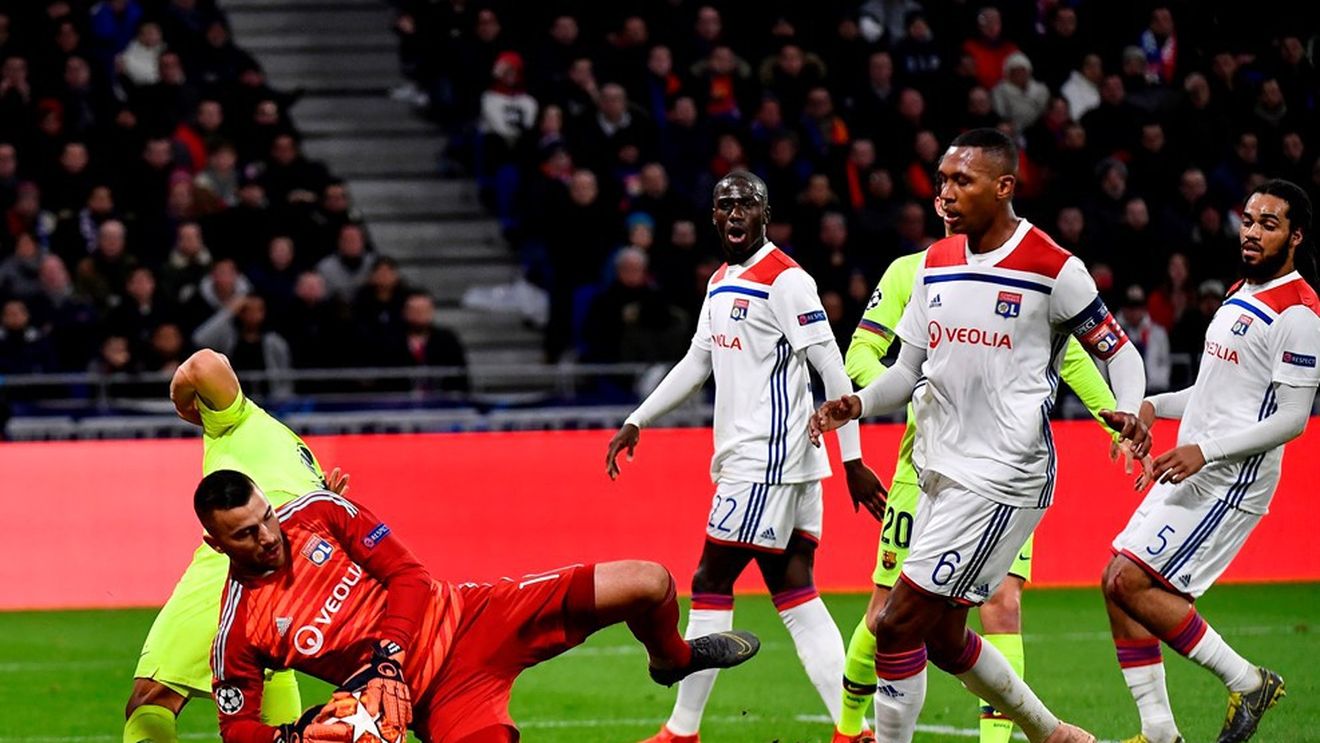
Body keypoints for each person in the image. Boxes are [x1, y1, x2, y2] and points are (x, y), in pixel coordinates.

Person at [813, 129, 1151, 743]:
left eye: (961, 180)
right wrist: (856, 403)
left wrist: (1126, 410)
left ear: (1004, 187)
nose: (945, 192)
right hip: (936, 472)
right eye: (941, 179)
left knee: (895, 623)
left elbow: (1118, 354)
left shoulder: (1052, 266)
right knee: (942, 637)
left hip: (1002, 477)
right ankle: (1054, 735)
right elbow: (907, 372)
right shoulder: (933, 266)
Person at [605, 170, 886, 742]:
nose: (735, 213)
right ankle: (854, 730)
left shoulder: (787, 281)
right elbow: (695, 363)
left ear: (766, 213)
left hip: (769, 461)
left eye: (746, 204)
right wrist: (639, 419)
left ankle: (681, 731)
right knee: (797, 594)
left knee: (711, 576)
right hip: (771, 463)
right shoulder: (721, 281)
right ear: (714, 216)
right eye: (725, 204)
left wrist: (853, 459)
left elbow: (833, 370)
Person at [200, 469, 761, 743]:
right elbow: (235, 727)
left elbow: (408, 575)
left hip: (476, 616)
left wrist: (387, 653)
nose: (269, 537)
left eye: (267, 517)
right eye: (246, 534)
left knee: (649, 582)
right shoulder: (239, 629)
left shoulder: (320, 512)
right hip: (432, 699)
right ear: (216, 544)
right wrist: (289, 738)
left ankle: (671, 659)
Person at [1102, 180, 1317, 743]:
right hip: (1195, 467)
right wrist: (1152, 407)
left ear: (1295, 237)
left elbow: (1293, 418)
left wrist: (1206, 451)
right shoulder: (1242, 290)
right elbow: (1211, 391)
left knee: (1130, 580)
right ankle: (1159, 733)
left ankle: (1248, 681)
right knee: (1113, 580)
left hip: (1231, 480)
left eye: (1269, 224)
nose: (1252, 231)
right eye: (1248, 219)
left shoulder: (1300, 314)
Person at [123, 349, 350, 743]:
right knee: (273, 707)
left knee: (152, 700)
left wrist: (184, 405)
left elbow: (203, 363)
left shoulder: (237, 418)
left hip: (237, 564)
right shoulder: (299, 453)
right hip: (297, 580)